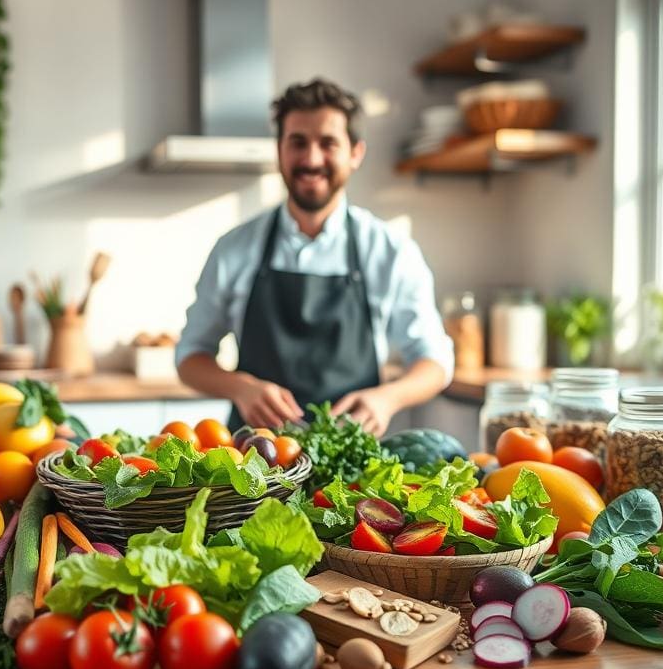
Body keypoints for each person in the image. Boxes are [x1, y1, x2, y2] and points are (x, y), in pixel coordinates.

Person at [175, 78, 454, 437]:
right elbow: (190, 357)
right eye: (298, 143)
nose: (311, 159)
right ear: (279, 151)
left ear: (355, 153)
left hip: (351, 469)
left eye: (328, 143)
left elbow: (435, 362)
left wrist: (387, 398)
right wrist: (241, 388)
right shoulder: (234, 249)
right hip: (252, 467)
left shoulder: (390, 251)